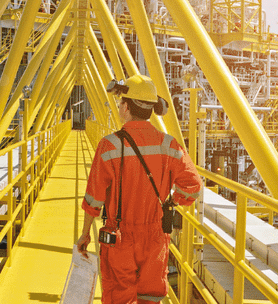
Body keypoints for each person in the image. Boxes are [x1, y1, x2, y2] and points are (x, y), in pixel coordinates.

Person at [76, 74, 202, 304]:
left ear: (126, 108)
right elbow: (193, 186)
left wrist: (85, 234)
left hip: (119, 237)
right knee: (150, 298)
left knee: (120, 297)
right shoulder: (169, 144)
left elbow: (94, 198)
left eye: (120, 103)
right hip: (155, 237)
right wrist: (172, 202)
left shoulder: (110, 145)